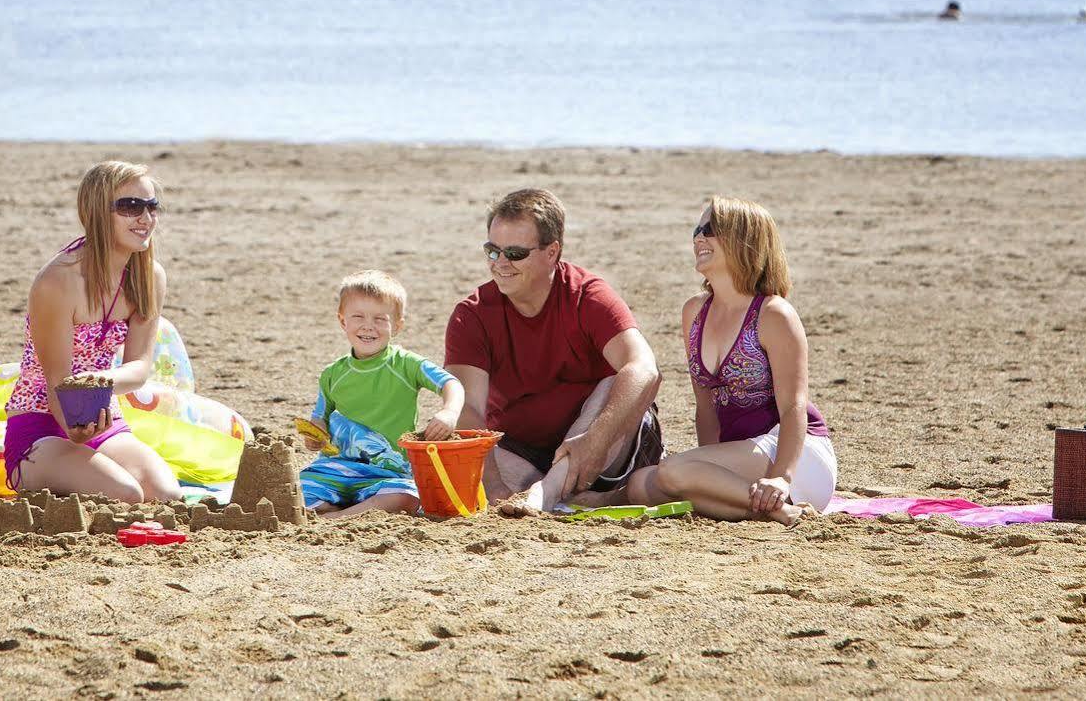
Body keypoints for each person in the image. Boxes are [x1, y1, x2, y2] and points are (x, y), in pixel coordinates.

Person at [444, 188, 662, 515]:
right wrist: (494, 486)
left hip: (606, 445)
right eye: (492, 251)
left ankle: (549, 494)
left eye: (515, 253)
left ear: (552, 252)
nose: (501, 264)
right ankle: (562, 498)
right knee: (458, 459)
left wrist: (595, 439)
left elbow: (645, 369)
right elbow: (469, 408)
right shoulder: (471, 315)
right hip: (522, 449)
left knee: (614, 382)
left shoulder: (588, 295)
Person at [622, 195, 835, 527]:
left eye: (710, 230)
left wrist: (782, 479)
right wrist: (707, 470)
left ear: (743, 240)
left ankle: (779, 503)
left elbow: (793, 406)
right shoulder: (694, 312)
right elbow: (705, 407)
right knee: (640, 485)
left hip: (793, 456)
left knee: (674, 471)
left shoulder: (773, 313)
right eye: (697, 229)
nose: (698, 238)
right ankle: (771, 512)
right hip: (742, 458)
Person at [3, 161, 181, 503]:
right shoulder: (58, 281)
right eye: (130, 207)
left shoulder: (149, 276)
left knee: (166, 494)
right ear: (98, 212)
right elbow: (58, 382)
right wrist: (76, 427)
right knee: (125, 493)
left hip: (102, 417)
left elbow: (139, 368)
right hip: (39, 425)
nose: (145, 219)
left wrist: (96, 386)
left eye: (151, 206)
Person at [297, 271, 465, 517]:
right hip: (334, 468)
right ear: (342, 321)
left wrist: (449, 412)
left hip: (387, 473)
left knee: (406, 497)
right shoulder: (332, 373)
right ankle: (347, 511)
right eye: (358, 317)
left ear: (397, 325)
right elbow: (320, 416)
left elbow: (451, 383)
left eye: (380, 319)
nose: (368, 326)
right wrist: (315, 435)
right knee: (295, 491)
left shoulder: (405, 364)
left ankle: (336, 516)